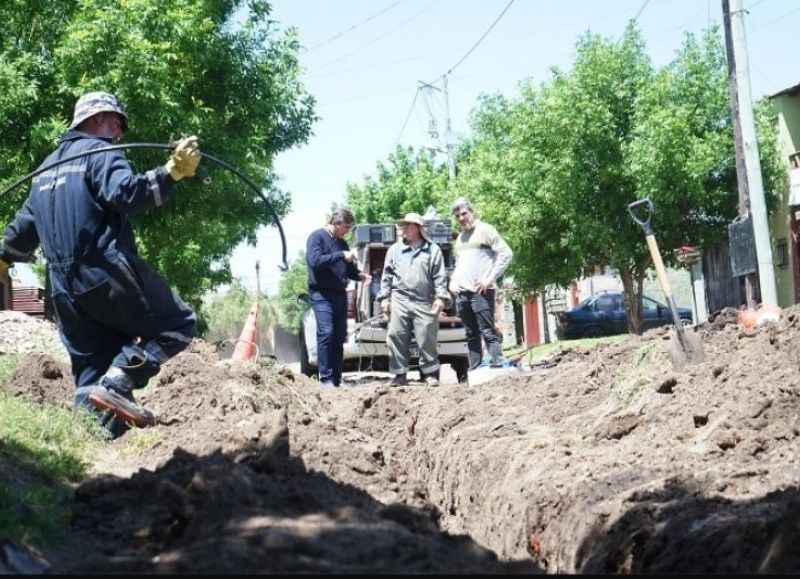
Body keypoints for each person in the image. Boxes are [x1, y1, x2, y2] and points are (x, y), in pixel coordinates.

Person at [0, 91, 200, 438]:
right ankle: (123, 378)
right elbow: (126, 193)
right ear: (96, 120)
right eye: (116, 122)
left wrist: (3, 259)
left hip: (62, 289)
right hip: (103, 274)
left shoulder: (45, 170)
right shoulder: (100, 152)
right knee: (177, 323)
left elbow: (24, 229)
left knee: (91, 368)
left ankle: (90, 443)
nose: (119, 132)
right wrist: (171, 173)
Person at [376, 212, 450, 387]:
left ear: (418, 228)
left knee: (426, 338)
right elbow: (386, 277)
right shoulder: (394, 250)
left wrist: (440, 298)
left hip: (424, 301)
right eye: (403, 226)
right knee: (396, 335)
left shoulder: (432, 249)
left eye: (408, 225)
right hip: (400, 300)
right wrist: (385, 299)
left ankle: (430, 374)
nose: (404, 229)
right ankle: (399, 375)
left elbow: (440, 277)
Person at [305, 208, 369, 387]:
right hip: (321, 294)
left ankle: (337, 379)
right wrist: (341, 255)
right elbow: (315, 261)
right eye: (346, 227)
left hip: (340, 294)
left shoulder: (342, 243)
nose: (347, 231)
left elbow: (348, 270)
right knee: (326, 333)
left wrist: (360, 276)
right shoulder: (316, 237)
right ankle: (325, 378)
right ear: (337, 223)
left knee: (339, 336)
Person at [449, 198, 513, 369]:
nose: (462, 218)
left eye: (464, 213)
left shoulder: (485, 230)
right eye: (458, 216)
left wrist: (490, 278)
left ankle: (497, 364)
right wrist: (453, 281)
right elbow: (459, 265)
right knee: (471, 333)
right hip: (463, 294)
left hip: (481, 292)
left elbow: (506, 253)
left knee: (487, 331)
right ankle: (475, 368)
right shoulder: (461, 238)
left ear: (472, 212)